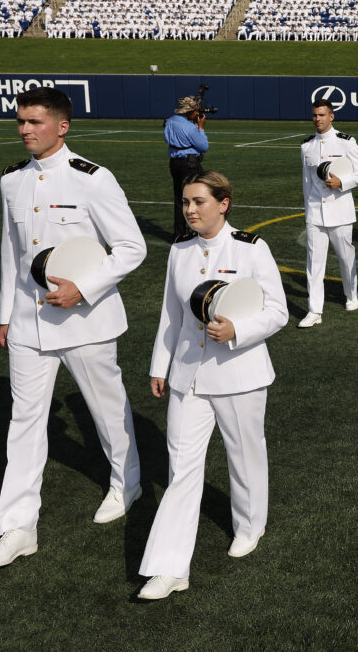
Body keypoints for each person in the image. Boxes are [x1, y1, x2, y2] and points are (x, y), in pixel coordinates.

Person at [0, 87, 146, 569]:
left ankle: (126, 483)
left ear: (62, 126)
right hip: (29, 323)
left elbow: (132, 248)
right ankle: (17, 528)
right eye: (20, 122)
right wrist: (6, 314)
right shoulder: (11, 180)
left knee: (107, 411)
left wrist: (83, 288)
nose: (25, 130)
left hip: (86, 320)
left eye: (34, 122)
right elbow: (12, 252)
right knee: (24, 423)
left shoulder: (92, 178)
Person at [138, 171, 288, 600]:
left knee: (245, 455)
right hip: (188, 375)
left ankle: (249, 525)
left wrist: (237, 329)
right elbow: (172, 315)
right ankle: (169, 568)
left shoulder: (252, 248)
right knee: (181, 466)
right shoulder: (179, 251)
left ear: (223, 203)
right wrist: (160, 366)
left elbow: (277, 311)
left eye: (199, 202)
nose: (189, 210)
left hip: (240, 373)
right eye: (185, 202)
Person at [297, 99, 358, 328]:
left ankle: (351, 295)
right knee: (314, 263)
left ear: (331, 116)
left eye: (321, 115)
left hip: (340, 211)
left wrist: (342, 182)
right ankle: (314, 310)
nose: (317, 119)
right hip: (316, 213)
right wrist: (309, 212)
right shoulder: (306, 146)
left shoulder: (346, 142)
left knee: (346, 257)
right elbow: (307, 183)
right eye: (315, 115)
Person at [165, 96, 210, 239]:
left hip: (174, 163)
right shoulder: (190, 127)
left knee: (180, 198)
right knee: (197, 197)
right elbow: (204, 146)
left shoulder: (170, 121)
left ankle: (179, 233)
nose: (197, 113)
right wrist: (201, 128)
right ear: (189, 111)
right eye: (195, 110)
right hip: (189, 164)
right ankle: (196, 231)